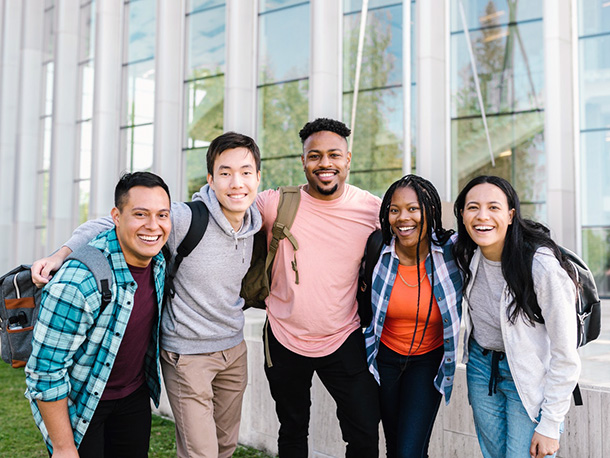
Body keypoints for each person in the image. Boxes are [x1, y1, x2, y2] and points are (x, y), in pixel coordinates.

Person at [30, 132, 262, 458]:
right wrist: (60, 255)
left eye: (246, 172)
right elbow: (106, 225)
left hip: (230, 350)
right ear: (211, 179)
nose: (236, 182)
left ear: (258, 177)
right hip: (188, 355)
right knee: (202, 453)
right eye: (225, 173)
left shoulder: (256, 219)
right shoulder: (182, 218)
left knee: (225, 447)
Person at [256, 118, 382, 457]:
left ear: (348, 159)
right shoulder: (275, 204)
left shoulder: (372, 209)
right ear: (303, 161)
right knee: (293, 430)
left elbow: (419, 232)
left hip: (344, 336)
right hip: (283, 337)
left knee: (364, 432)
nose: (325, 164)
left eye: (334, 155)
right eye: (314, 156)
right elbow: (222, 209)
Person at [25, 172, 171, 457]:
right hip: (82, 401)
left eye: (162, 215)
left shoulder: (159, 259)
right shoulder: (78, 281)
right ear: (116, 216)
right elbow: (44, 372)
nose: (153, 226)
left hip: (133, 396)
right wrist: (65, 448)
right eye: (140, 214)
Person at [453, 175, 581, 458]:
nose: (482, 216)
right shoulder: (465, 254)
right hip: (481, 368)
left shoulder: (540, 266)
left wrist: (550, 423)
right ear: (462, 215)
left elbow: (565, 354)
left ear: (511, 215)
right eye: (473, 207)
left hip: (528, 374)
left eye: (494, 207)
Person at [363, 175, 463, 458]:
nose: (402, 217)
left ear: (430, 210)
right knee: (397, 447)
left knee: (408, 451)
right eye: (394, 210)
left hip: (427, 362)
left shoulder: (451, 251)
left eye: (413, 208)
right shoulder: (378, 249)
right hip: (384, 360)